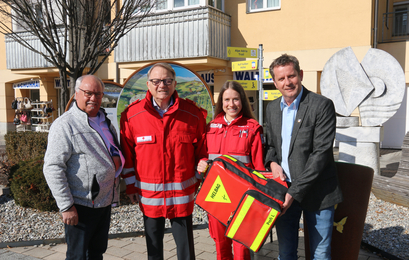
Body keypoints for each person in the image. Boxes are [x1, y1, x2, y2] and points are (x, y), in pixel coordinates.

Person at [120, 63, 207, 260]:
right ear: (148, 85)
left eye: (167, 81)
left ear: (175, 83)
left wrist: (197, 179)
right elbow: (128, 157)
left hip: (182, 197)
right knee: (154, 251)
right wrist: (131, 187)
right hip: (150, 198)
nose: (162, 85)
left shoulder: (193, 114)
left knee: (186, 251)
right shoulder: (132, 116)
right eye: (156, 81)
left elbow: (202, 152)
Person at [265, 54, 343, 260]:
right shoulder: (272, 108)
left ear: (300, 74)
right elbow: (271, 146)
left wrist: (294, 193)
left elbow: (321, 155)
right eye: (281, 79)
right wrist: (272, 163)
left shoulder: (321, 105)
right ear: (274, 82)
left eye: (291, 76)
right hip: (284, 190)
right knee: (286, 252)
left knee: (320, 254)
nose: (287, 82)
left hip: (319, 193)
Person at [43, 75, 124, 260]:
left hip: (103, 202)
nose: (93, 98)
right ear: (76, 94)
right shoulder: (65, 125)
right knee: (77, 256)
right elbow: (53, 167)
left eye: (98, 94)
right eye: (88, 93)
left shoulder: (104, 121)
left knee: (96, 253)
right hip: (80, 205)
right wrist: (66, 206)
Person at [197, 80, 265, 260]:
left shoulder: (252, 128)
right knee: (221, 245)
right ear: (221, 103)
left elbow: (259, 167)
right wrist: (202, 163)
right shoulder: (210, 127)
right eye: (227, 100)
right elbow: (203, 156)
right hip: (216, 195)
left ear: (242, 101)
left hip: (243, 199)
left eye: (235, 99)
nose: (231, 104)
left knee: (241, 249)